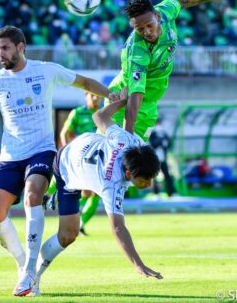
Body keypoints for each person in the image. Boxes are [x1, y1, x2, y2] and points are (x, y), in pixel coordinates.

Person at [0, 25, 119, 297]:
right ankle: (24, 264)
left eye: (6, 48)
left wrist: (109, 95)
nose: (1, 53)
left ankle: (28, 274)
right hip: (9, 157)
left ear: (21, 47)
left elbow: (84, 82)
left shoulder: (45, 70)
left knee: (33, 194)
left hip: (41, 151)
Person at [31, 93, 163, 296]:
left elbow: (99, 117)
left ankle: (57, 199)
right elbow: (118, 228)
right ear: (128, 174)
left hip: (83, 160)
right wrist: (138, 264)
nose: (149, 184)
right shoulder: (113, 186)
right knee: (68, 235)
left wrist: (122, 102)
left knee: (86, 196)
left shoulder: (126, 140)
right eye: (145, 180)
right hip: (66, 168)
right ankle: (33, 277)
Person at [108, 0, 228, 141]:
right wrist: (126, 138)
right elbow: (135, 95)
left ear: (157, 17)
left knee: (142, 162)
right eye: (140, 29)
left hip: (150, 106)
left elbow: (181, 0)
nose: (147, 32)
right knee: (120, 160)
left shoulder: (165, 12)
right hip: (124, 107)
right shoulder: (137, 51)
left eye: (149, 25)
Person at [59, 92, 102, 236]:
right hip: (81, 157)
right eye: (92, 95)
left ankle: (80, 223)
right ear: (86, 96)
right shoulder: (78, 112)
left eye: (98, 96)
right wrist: (67, 152)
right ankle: (70, 213)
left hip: (99, 158)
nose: (96, 98)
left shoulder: (104, 113)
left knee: (97, 193)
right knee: (86, 192)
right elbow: (65, 133)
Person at [149, 118, 176, 196]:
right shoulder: (150, 131)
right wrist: (160, 141)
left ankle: (172, 192)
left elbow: (169, 143)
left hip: (162, 158)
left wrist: (165, 143)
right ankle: (155, 192)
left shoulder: (163, 132)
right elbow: (150, 143)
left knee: (167, 175)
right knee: (153, 176)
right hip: (154, 158)